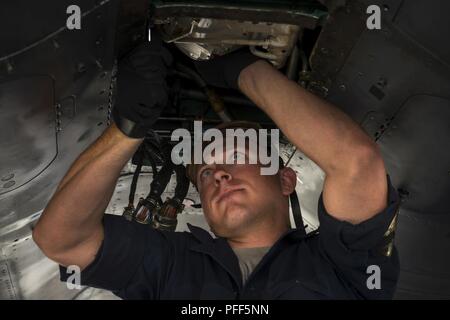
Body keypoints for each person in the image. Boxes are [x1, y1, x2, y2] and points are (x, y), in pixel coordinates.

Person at [32, 30, 400, 299]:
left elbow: (356, 163)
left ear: (286, 180)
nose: (220, 174)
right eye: (206, 173)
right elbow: (60, 239)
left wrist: (243, 70)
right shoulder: (171, 262)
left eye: (238, 158)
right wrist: (129, 128)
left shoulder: (344, 263)